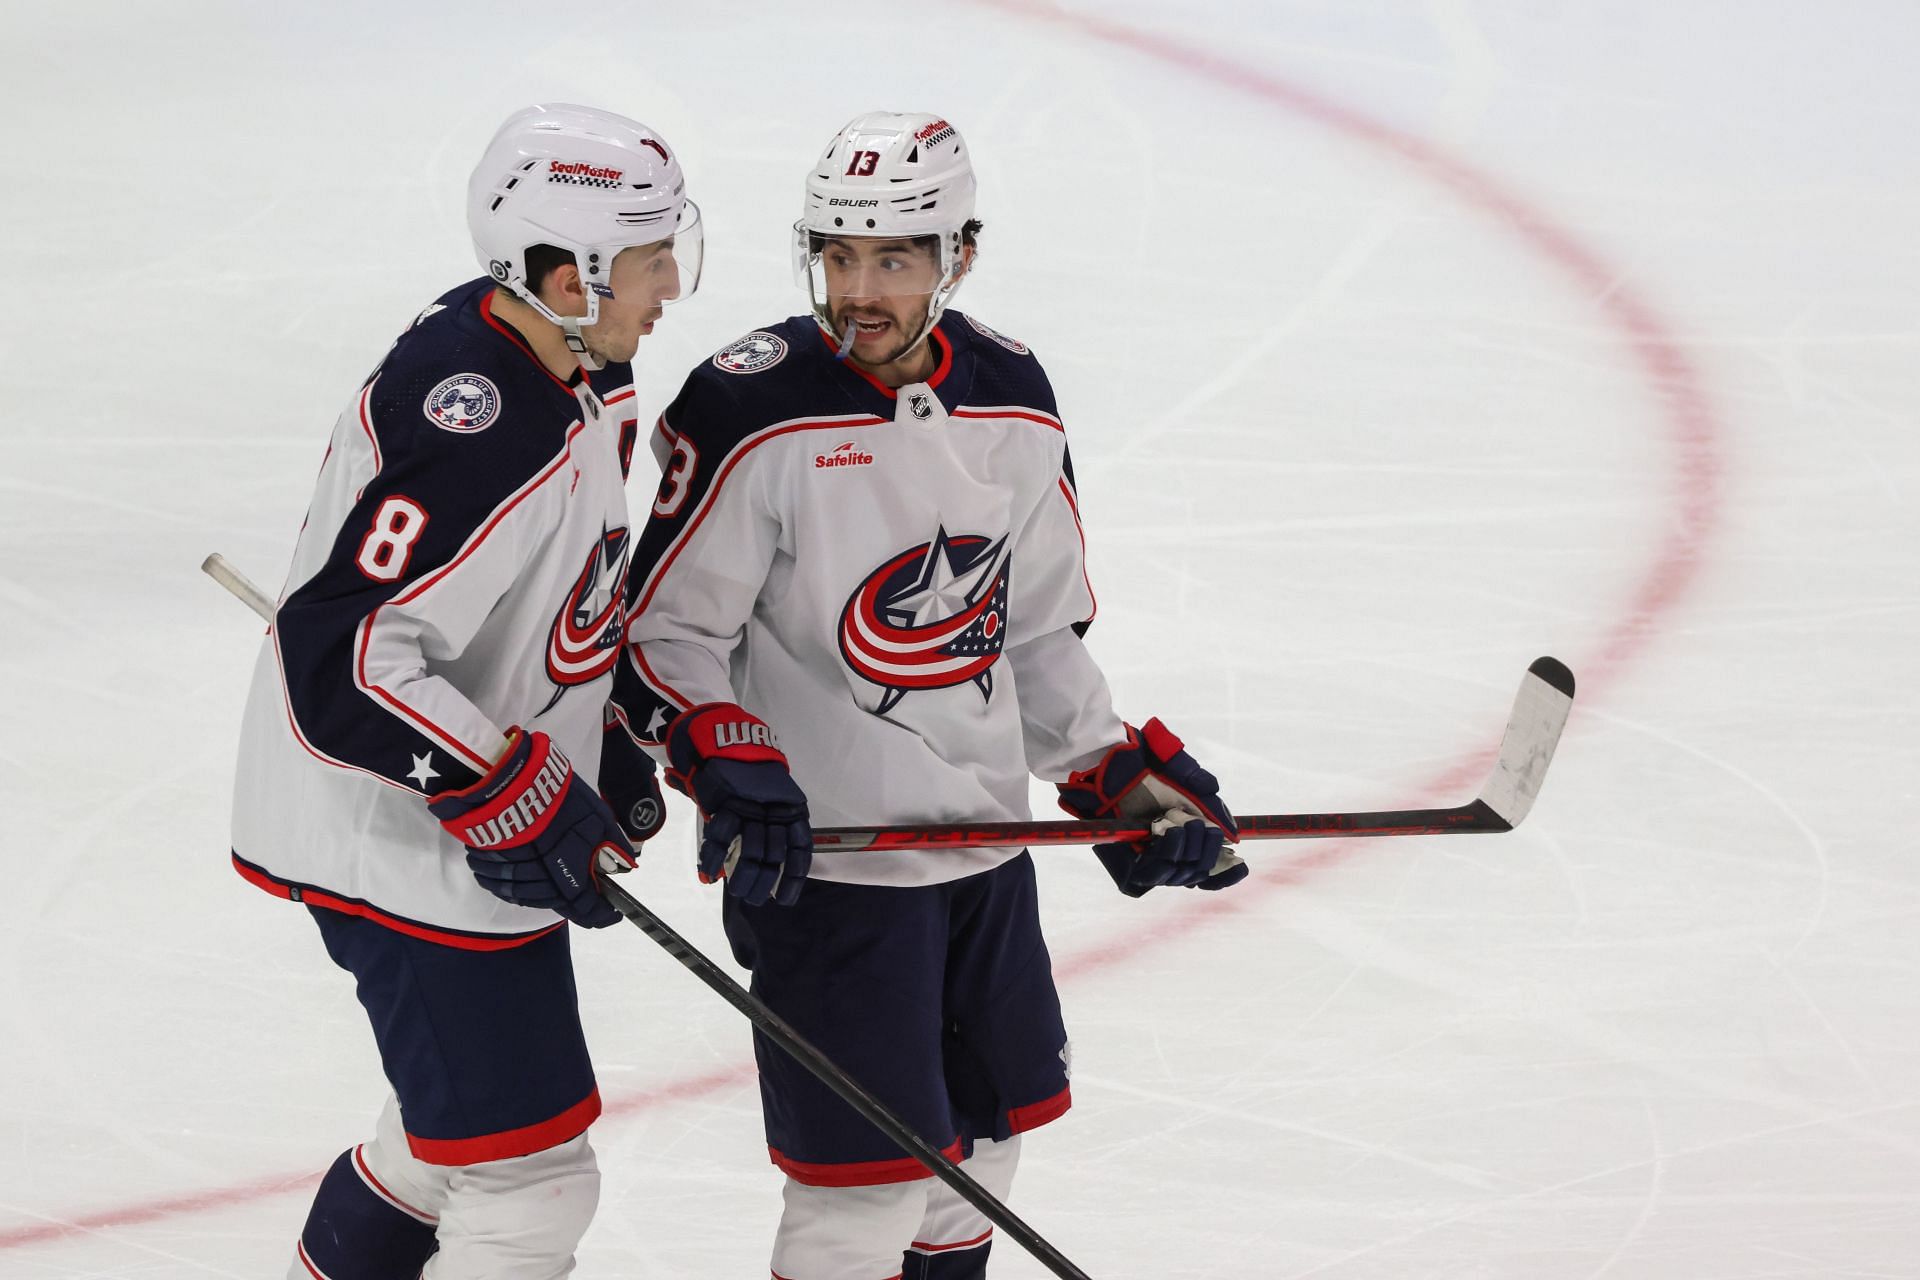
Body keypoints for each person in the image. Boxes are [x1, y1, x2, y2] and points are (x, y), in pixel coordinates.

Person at [613, 111, 1248, 1280]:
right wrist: (723, 748)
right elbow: (660, 635)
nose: (858, 290)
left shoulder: (1014, 395)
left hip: (985, 854)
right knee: (864, 1198)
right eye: (838, 256)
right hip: (834, 873)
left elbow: (1039, 627)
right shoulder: (751, 408)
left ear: (960, 253)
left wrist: (1109, 765)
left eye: (894, 259)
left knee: (985, 1158)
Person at [228, 102, 699, 1279]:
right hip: (390, 838)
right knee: (529, 1183)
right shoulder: (475, 417)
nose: (674, 283)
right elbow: (340, 658)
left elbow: (545, 599)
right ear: (562, 270)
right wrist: (505, 779)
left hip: (443, 837)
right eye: (650, 257)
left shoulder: (579, 370)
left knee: (449, 1146)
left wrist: (594, 743)